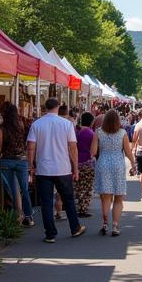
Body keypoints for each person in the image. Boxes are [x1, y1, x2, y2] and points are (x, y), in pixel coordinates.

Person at [27, 97, 86, 244]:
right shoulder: (67, 124)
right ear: (58, 107)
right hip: (62, 168)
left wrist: (31, 166)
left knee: (46, 202)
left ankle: (50, 234)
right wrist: (75, 168)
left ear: (45, 107)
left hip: (44, 168)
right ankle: (75, 227)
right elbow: (73, 147)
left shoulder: (37, 124)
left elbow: (31, 147)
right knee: (68, 199)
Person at [92, 109, 135, 236]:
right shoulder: (122, 133)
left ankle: (105, 223)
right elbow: (128, 152)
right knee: (118, 197)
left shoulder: (98, 132)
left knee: (106, 197)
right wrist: (133, 163)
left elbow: (93, 151)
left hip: (103, 163)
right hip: (118, 164)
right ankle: (115, 226)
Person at [0, 103, 34, 227]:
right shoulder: (21, 125)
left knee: (10, 189)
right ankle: (28, 217)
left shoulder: (1, 129)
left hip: (7, 160)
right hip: (22, 160)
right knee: (24, 189)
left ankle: (14, 216)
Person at [74, 111, 97, 216]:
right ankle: (83, 209)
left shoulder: (76, 131)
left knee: (78, 186)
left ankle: (76, 206)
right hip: (87, 162)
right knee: (87, 187)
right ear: (91, 122)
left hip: (75, 162)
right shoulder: (91, 133)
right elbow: (93, 151)